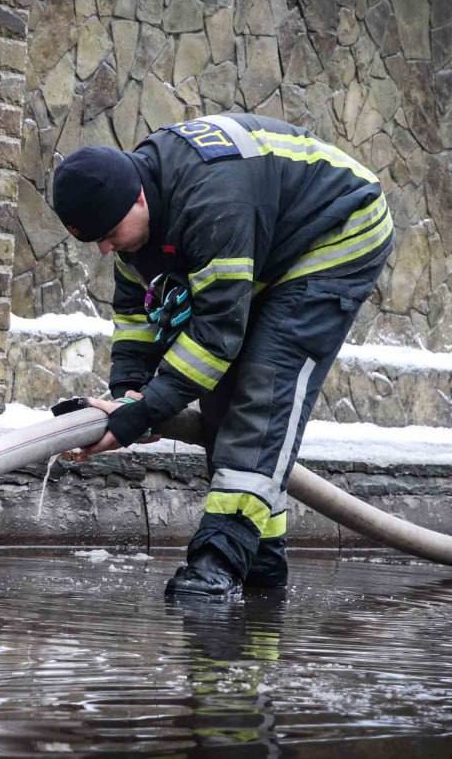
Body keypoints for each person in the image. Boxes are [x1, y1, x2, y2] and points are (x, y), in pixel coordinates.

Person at [50, 113, 393, 598]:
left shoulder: (212, 202)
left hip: (336, 230)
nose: (105, 250)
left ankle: (218, 563)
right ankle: (261, 570)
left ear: (140, 196)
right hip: (267, 238)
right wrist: (126, 392)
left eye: (108, 234)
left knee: (264, 388)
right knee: (223, 407)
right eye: (93, 241)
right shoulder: (130, 215)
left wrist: (142, 414)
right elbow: (134, 312)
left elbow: (215, 338)